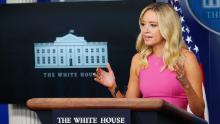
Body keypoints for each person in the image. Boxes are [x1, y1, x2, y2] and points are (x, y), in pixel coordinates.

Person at [93, 2, 204, 118]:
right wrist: (113, 87)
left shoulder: (187, 58)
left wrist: (186, 84)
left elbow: (199, 111)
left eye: (153, 25)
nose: (145, 30)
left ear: (167, 27)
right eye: (143, 24)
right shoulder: (138, 60)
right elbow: (129, 107)